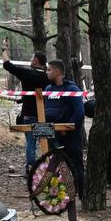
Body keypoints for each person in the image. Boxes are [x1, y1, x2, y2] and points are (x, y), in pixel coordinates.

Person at [43, 59, 85, 197]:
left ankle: (81, 194)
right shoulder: (48, 90)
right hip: (53, 135)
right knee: (53, 165)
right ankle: (56, 195)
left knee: (75, 165)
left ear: (57, 72)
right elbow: (44, 110)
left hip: (70, 137)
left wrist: (66, 128)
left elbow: (79, 112)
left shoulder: (72, 89)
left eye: (49, 70)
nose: (47, 72)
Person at [2, 52, 51, 166]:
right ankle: (49, 167)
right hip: (45, 116)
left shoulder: (27, 74)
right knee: (46, 143)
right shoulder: (48, 77)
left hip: (29, 115)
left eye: (31, 57)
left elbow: (7, 65)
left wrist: (4, 49)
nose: (30, 59)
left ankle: (31, 169)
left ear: (35, 61)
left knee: (30, 143)